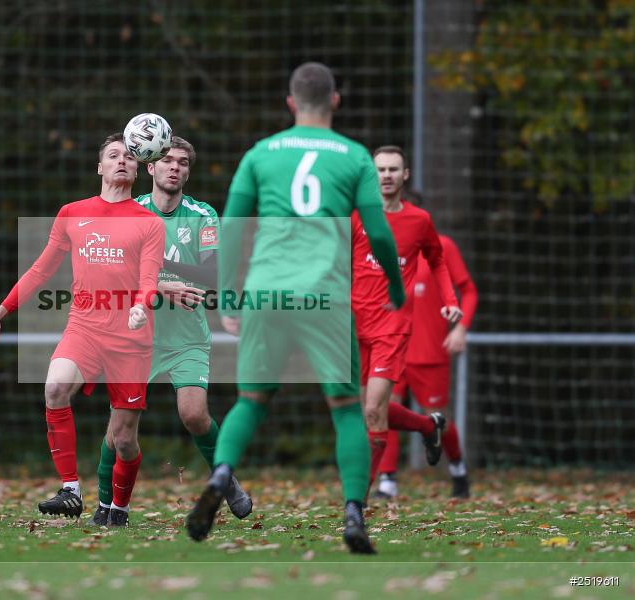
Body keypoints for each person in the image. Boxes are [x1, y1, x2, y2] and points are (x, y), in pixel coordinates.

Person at [185, 62, 406, 555]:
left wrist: (229, 295)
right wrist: (395, 287)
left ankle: (221, 476)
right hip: (324, 295)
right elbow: (381, 232)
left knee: (250, 402)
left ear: (290, 103)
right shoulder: (352, 156)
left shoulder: (262, 154)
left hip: (266, 291)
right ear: (335, 101)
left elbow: (233, 227)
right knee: (347, 409)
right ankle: (353, 512)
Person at [0, 133, 164, 527]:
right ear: (99, 167)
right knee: (55, 387)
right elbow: (40, 269)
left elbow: (150, 277)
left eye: (129, 157)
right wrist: (1, 311)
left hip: (130, 338)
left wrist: (140, 304)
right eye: (113, 156)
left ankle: (120, 508)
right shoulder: (73, 213)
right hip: (84, 327)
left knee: (124, 441)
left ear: (138, 169)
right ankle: (71, 490)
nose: (121, 162)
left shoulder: (148, 222)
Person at [89, 136, 253, 525]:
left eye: (182, 162)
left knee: (194, 414)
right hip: (135, 334)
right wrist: (158, 284)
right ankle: (102, 503)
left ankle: (225, 480)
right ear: (150, 167)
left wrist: (157, 262)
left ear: (187, 172)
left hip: (186, 336)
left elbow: (213, 273)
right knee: (118, 432)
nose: (174, 167)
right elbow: (109, 274)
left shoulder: (202, 214)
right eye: (167, 161)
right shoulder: (129, 211)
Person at [352, 146, 463, 498]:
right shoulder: (355, 217)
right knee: (369, 409)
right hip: (357, 325)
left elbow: (438, 260)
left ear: (405, 175)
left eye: (393, 169)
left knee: (373, 409)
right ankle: (428, 425)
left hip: (393, 324)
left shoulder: (419, 221)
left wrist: (449, 302)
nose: (386, 175)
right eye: (380, 169)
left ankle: (360, 498)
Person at [376, 206, 478, 499]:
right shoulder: (383, 249)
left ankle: (458, 469)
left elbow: (468, 290)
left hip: (430, 352)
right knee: (383, 408)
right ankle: (388, 481)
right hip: (392, 348)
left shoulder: (442, 247)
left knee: (439, 416)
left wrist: (461, 328)